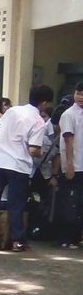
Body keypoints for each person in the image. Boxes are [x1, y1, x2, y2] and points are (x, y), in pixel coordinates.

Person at [0, 85, 54, 252]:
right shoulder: (39, 122)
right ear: (44, 103)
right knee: (16, 203)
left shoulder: (13, 111)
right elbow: (34, 149)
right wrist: (41, 152)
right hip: (19, 165)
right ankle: (17, 240)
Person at [55, 83, 83, 248]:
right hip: (74, 165)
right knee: (69, 202)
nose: (81, 97)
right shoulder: (69, 114)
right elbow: (68, 139)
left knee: (79, 204)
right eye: (79, 93)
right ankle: (65, 238)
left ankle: (75, 236)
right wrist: (70, 165)